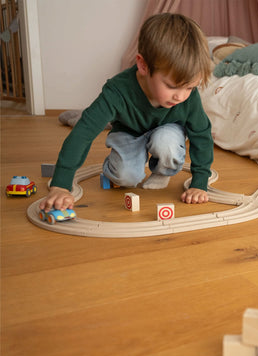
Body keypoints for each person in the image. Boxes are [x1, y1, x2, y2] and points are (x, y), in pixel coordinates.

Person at [39, 13, 214, 212]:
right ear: (143, 65)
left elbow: (201, 134)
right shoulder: (117, 91)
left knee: (167, 141)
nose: (181, 96)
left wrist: (199, 183)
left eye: (190, 87)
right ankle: (112, 168)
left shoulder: (187, 97)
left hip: (166, 130)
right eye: (172, 86)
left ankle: (162, 172)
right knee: (126, 177)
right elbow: (83, 132)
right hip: (129, 132)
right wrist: (60, 184)